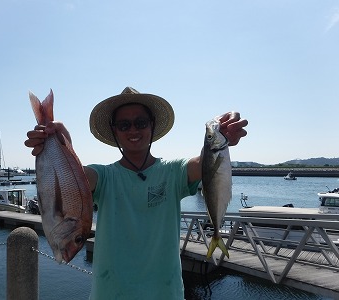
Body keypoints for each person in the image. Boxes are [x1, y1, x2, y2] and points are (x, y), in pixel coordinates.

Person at [25, 87, 248, 300]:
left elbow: (205, 162)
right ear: (114, 131)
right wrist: (62, 141)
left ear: (151, 125)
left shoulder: (173, 172)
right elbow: (74, 181)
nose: (133, 130)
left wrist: (222, 135)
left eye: (140, 122)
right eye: (124, 124)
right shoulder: (104, 176)